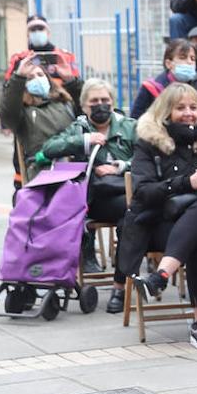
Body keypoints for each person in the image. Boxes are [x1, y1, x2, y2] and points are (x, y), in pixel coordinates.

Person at [128, 83, 197, 350]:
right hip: (163, 222)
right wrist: (185, 183)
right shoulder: (149, 144)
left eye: (193, 107)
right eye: (180, 108)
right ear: (166, 112)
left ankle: (160, 277)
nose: (188, 113)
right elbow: (142, 192)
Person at [38, 77, 138, 312]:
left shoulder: (130, 127)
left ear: (113, 102)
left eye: (105, 100)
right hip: (89, 199)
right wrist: (83, 140)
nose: (100, 105)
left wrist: (121, 166)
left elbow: (148, 159)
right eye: (94, 101)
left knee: (130, 216)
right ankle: (65, 279)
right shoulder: (79, 127)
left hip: (122, 193)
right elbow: (49, 149)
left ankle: (119, 286)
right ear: (84, 106)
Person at [0, 55, 77, 183]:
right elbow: (8, 112)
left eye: (40, 74)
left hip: (72, 169)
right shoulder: (23, 112)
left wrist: (71, 81)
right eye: (30, 77)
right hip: (42, 172)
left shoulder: (65, 102)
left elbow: (86, 110)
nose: (37, 79)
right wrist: (19, 77)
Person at [130, 40, 197, 120]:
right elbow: (135, 120)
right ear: (168, 64)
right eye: (182, 57)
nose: (189, 62)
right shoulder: (150, 88)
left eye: (192, 59)